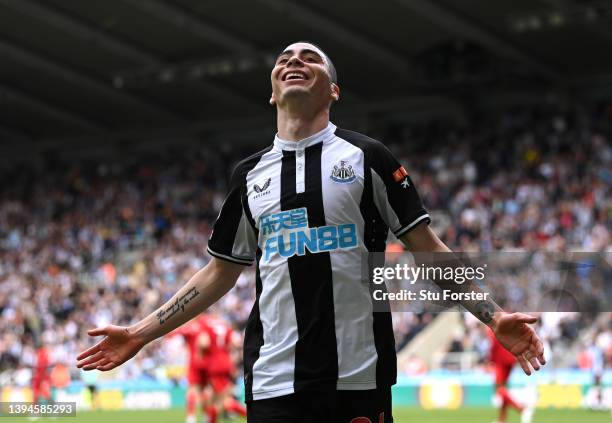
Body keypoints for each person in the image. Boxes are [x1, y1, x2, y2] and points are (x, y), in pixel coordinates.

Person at [77, 41, 546, 422]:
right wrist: (139, 334)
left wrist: (492, 315)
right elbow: (219, 273)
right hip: (273, 379)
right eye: (284, 59)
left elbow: (427, 249)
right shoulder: (250, 175)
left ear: (334, 91)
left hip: (359, 376)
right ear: (272, 92)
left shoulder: (368, 158)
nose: (294, 61)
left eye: (309, 58)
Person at [487, 328, 533, 423]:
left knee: (499, 389)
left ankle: (522, 409)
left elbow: (494, 344)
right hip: (509, 358)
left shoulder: (493, 327)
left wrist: (490, 360)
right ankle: (502, 419)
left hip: (501, 360)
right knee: (503, 388)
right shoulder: (504, 325)